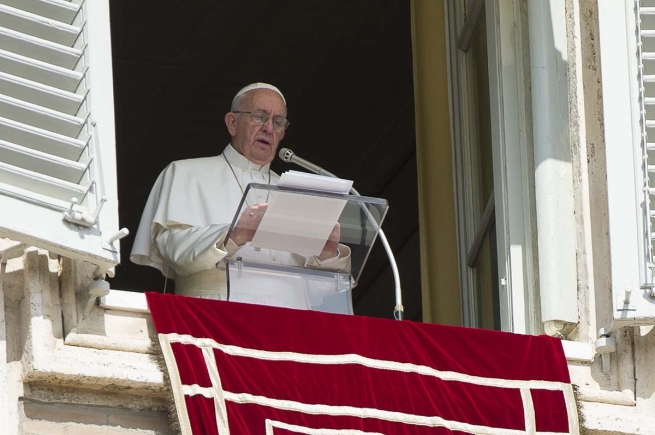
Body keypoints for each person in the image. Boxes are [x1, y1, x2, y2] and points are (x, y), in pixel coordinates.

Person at [130, 83, 350, 308]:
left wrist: (328, 255)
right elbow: (172, 250)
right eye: (259, 116)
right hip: (213, 312)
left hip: (292, 322)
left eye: (277, 122)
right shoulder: (185, 173)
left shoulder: (299, 193)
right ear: (232, 123)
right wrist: (233, 235)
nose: (268, 128)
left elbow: (321, 292)